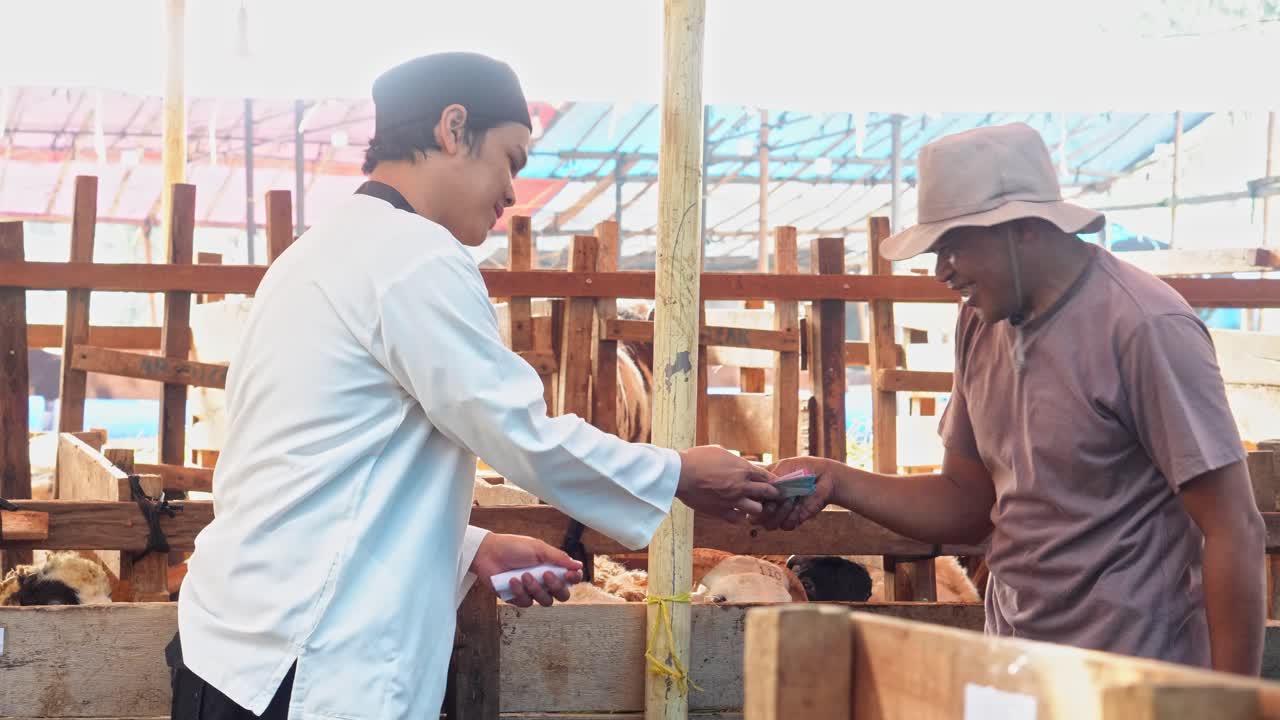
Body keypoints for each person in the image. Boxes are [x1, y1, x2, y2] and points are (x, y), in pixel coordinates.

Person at [168, 51, 781, 719]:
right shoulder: (415, 255)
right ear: (453, 128)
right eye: (511, 159)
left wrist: (467, 547)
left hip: (231, 655)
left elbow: (316, 465)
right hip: (308, 665)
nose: (513, 190)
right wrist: (678, 474)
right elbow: (519, 434)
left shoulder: (315, 255)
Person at [762, 122, 1266, 676]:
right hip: (1013, 661)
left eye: (953, 246)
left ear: (1023, 228)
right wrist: (839, 479)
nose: (940, 271)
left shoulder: (1145, 326)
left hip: (1131, 673)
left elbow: (1233, 526)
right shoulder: (980, 323)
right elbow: (966, 502)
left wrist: (1231, 699)